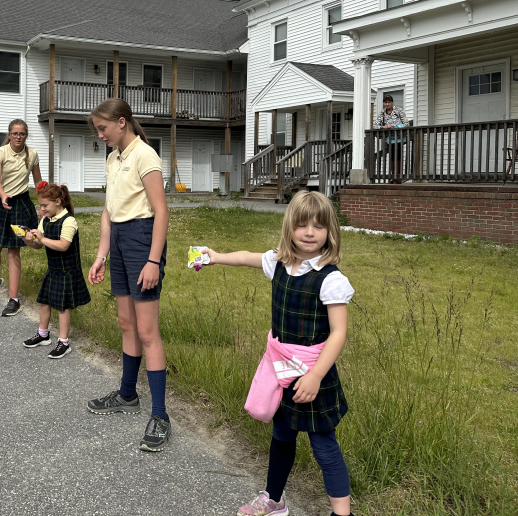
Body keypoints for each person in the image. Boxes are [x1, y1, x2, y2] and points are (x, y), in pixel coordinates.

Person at [201, 191, 354, 516]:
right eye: (302, 225)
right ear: (290, 228)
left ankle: (342, 513)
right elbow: (246, 256)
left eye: (318, 226)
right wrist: (215, 256)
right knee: (281, 435)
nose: (309, 232)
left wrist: (314, 376)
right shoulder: (279, 263)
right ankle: (274, 500)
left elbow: (339, 332)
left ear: (330, 231)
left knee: (324, 447)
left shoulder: (330, 279)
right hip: (280, 371)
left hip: (314, 374)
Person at [85, 98, 171, 453]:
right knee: (126, 323)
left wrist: (153, 261)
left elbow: (162, 211)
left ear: (122, 122)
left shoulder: (144, 155)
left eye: (103, 129)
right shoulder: (113, 158)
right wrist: (101, 254)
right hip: (119, 240)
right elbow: (108, 212)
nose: (100, 135)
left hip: (141, 240)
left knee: (147, 330)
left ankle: (161, 416)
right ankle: (126, 394)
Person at [0, 119, 43, 317]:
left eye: (21, 134)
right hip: (1, 203)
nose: (18, 137)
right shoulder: (1, 153)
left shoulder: (32, 154)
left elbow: (38, 181)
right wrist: (2, 194)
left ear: (26, 135)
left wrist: (43, 205)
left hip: (20, 207)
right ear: (9, 135)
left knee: (14, 251)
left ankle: (13, 299)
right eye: (14, 133)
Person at [22, 184, 90, 359]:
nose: (42, 209)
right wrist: (29, 240)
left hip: (67, 271)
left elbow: (63, 245)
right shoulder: (46, 220)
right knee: (44, 301)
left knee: (62, 306)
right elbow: (38, 245)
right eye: (41, 206)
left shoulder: (69, 221)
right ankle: (43, 334)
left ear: (58, 201)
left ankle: (64, 342)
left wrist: (43, 238)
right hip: (53, 269)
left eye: (45, 205)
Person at [373, 94, 409, 184]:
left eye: (389, 102)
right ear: (383, 103)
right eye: (385, 102)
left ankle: (398, 177)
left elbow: (406, 124)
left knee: (399, 156)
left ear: (392, 103)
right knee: (392, 156)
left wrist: (394, 126)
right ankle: (393, 176)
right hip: (389, 139)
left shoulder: (398, 110)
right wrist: (384, 127)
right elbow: (375, 125)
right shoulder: (382, 113)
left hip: (399, 137)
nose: (387, 104)